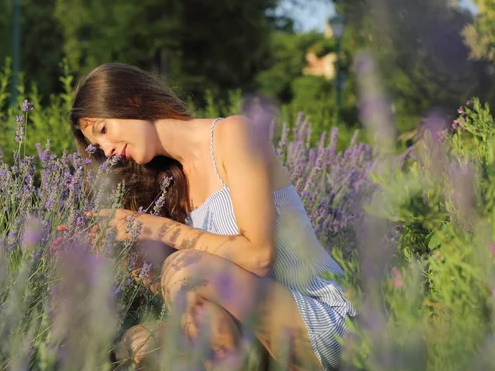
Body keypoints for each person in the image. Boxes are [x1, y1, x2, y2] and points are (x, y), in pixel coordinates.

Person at [69, 63, 357, 370]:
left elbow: (258, 256)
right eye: (98, 146)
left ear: (131, 100)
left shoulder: (233, 134)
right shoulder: (170, 180)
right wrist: (122, 257)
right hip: (252, 330)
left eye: (103, 131)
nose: (108, 150)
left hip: (320, 319)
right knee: (139, 343)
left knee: (183, 268)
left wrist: (155, 228)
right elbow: (187, 297)